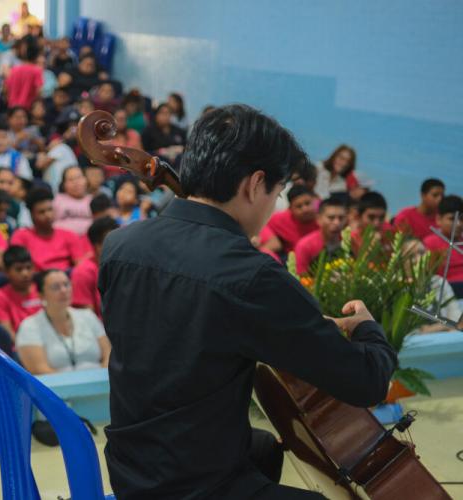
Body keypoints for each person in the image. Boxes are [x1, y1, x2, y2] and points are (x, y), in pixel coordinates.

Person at [99, 103, 396, 499]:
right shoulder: (251, 276)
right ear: (255, 184)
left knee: (262, 447)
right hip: (192, 486)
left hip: (131, 464)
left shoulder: (120, 245)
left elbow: (184, 333)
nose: (274, 206)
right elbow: (367, 383)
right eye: (277, 192)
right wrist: (367, 328)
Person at [16, 269, 110, 374]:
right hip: (57, 388)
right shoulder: (29, 326)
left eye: (66, 284)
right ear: (41, 295)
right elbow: (39, 370)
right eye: (56, 287)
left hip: (100, 384)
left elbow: (108, 355)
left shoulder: (88, 316)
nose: (64, 290)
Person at [11, 187, 86, 270]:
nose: (48, 215)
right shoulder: (21, 236)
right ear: (32, 215)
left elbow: (80, 265)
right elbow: (18, 268)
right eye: (41, 212)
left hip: (66, 277)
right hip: (37, 278)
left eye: (50, 210)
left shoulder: (69, 235)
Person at [0, 245, 42, 339]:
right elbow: (8, 333)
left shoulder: (42, 289)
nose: (25, 273)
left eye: (28, 267)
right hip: (20, 347)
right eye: (19, 269)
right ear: (6, 272)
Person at [72, 217, 118, 318]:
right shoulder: (82, 273)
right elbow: (86, 320)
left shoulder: (125, 266)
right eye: (114, 242)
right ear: (97, 246)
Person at [294, 197, 350, 274]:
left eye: (341, 218)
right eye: (331, 218)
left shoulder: (351, 241)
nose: (337, 223)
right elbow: (300, 278)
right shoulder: (304, 246)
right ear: (318, 219)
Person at [259, 185, 319, 257]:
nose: (305, 209)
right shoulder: (281, 219)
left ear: (315, 202)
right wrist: (270, 239)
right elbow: (262, 222)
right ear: (290, 209)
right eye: (299, 206)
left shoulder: (324, 217)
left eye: (307, 203)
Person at [423, 195, 463, 290]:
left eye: (461, 219)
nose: (458, 224)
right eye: (452, 219)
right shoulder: (430, 243)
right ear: (439, 219)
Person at [35, 110, 80, 191]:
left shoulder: (63, 148)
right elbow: (40, 164)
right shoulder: (60, 146)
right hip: (58, 190)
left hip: (63, 190)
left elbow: (40, 164)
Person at [53, 166, 93, 235]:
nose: (76, 182)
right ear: (64, 184)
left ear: (86, 180)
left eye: (78, 178)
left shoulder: (94, 200)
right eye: (70, 180)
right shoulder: (57, 200)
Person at [5, 39, 42, 110]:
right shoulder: (37, 70)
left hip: (12, 107)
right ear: (37, 57)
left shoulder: (14, 69)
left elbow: (6, 88)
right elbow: (39, 91)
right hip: (28, 108)